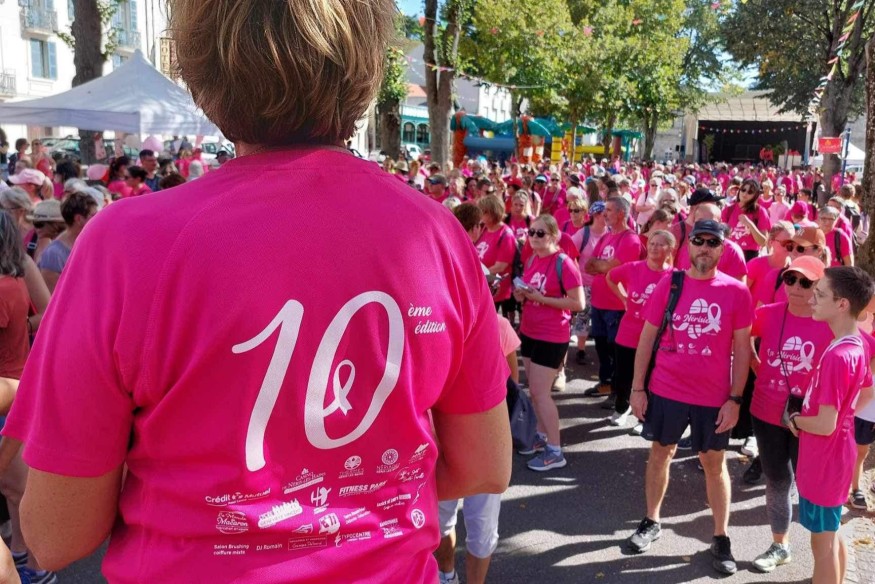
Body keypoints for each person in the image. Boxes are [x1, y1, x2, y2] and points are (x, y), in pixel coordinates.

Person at [3, 1, 512, 581]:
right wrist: (356, 497)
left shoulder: (124, 245)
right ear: (366, 64)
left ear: (202, 71)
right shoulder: (435, 234)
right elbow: (485, 467)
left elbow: (53, 534)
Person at [628, 219, 752, 576]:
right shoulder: (670, 282)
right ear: (688, 245)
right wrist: (637, 389)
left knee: (714, 464)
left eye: (713, 242)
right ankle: (651, 520)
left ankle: (720, 536)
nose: (705, 248)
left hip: (713, 397)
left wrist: (736, 399)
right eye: (699, 240)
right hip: (666, 390)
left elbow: (743, 350)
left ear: (723, 249)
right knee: (660, 453)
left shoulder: (736, 291)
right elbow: (647, 338)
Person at [790, 266, 875, 584]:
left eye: (820, 294)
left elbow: (825, 424)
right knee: (832, 533)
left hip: (825, 459)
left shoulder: (839, 356)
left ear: (842, 304)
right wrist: (843, 421)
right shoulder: (857, 343)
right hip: (836, 453)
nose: (812, 299)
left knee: (821, 545)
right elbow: (866, 391)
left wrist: (797, 420)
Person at [748, 257, 833, 573]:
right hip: (766, 412)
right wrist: (755, 364)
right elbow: (740, 336)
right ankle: (779, 545)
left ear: (819, 287)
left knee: (811, 487)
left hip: (810, 421)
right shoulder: (768, 314)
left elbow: (865, 351)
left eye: (806, 282)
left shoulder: (831, 321)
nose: (796, 287)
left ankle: (824, 558)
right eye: (791, 279)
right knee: (777, 480)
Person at [514, 214, 584, 471]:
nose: (533, 237)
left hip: (552, 335)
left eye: (540, 233)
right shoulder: (533, 258)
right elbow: (530, 295)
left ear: (554, 236)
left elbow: (578, 303)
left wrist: (542, 299)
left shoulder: (563, 262)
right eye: (531, 232)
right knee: (534, 392)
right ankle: (542, 437)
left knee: (541, 394)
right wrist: (520, 293)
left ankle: (555, 450)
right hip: (530, 331)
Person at [605, 229, 675, 431]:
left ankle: (644, 418)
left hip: (657, 338)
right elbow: (610, 277)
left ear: (670, 249)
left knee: (650, 379)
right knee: (623, 376)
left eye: (660, 244)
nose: (654, 247)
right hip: (628, 334)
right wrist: (623, 299)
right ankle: (621, 408)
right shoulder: (633, 268)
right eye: (652, 243)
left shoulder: (674, 276)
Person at [583, 197, 643, 404]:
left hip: (617, 305)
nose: (604, 213)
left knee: (617, 352)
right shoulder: (606, 237)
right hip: (599, 303)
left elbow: (616, 268)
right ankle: (606, 383)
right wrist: (605, 265)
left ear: (620, 214)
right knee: (601, 347)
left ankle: (619, 393)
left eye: (608, 210)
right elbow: (590, 265)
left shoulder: (630, 239)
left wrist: (605, 266)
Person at [37, 192, 98, 294]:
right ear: (78, 219)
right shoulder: (53, 255)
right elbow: (51, 299)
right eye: (93, 215)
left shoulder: (92, 244)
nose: (98, 219)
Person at [570, 201, 607, 365]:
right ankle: (581, 350)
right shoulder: (582, 234)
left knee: (603, 318)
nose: (607, 217)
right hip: (585, 284)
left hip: (606, 285)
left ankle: (603, 351)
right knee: (583, 317)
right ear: (596, 215)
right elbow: (569, 255)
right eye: (604, 214)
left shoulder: (611, 233)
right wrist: (575, 277)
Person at [721, 178, 771, 262]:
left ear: (755, 195)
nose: (745, 193)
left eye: (750, 192)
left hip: (749, 255)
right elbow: (721, 236)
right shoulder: (728, 210)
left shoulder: (760, 212)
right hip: (729, 252)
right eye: (743, 190)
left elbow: (763, 242)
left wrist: (750, 224)